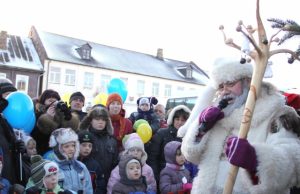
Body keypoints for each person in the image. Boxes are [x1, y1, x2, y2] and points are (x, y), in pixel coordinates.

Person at [178, 58, 300, 193]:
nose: (224, 91)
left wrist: (255, 160)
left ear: (248, 81)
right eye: (220, 87)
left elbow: (294, 164)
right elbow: (191, 157)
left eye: (230, 83)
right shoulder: (216, 114)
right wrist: (202, 129)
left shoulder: (278, 112)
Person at [79, 106, 119, 193]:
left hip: (108, 182)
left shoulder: (112, 140)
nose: (100, 122)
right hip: (88, 182)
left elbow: (115, 163)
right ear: (91, 120)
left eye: (103, 119)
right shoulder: (84, 138)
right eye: (97, 119)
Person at [147, 105, 191, 181]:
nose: (180, 122)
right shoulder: (162, 133)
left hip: (182, 178)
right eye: (177, 119)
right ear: (173, 120)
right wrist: (156, 177)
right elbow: (152, 158)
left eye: (183, 120)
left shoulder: (189, 137)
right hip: (162, 175)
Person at [32, 89, 79, 155]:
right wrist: (47, 118)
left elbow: (71, 131)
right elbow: (36, 135)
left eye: (55, 101)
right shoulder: (37, 115)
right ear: (43, 102)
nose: (53, 103)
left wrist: (68, 116)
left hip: (60, 153)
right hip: (42, 152)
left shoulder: (60, 116)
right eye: (50, 101)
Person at [49, 128, 93, 193]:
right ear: (57, 149)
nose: (71, 149)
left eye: (73, 145)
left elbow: (88, 189)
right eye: (67, 146)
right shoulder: (51, 168)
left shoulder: (81, 166)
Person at [0, 78, 26, 184]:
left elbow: (9, 146)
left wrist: (19, 147)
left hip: (9, 176)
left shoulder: (5, 120)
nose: (11, 99)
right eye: (7, 94)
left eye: (13, 95)